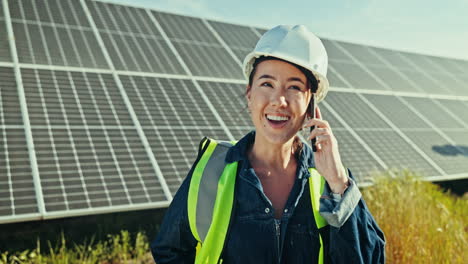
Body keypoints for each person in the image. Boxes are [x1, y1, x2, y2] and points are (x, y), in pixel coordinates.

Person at [151, 25, 385, 264]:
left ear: (311, 105)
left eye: (294, 87)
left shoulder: (331, 181)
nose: (279, 101)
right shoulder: (211, 170)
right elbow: (170, 252)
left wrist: (338, 184)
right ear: (249, 94)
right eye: (267, 84)